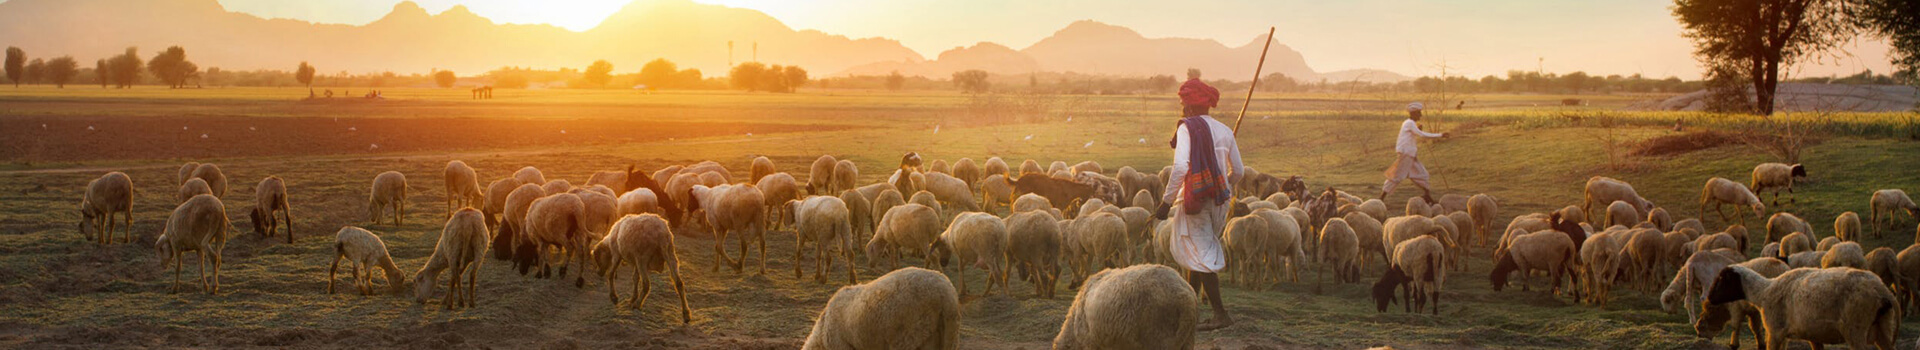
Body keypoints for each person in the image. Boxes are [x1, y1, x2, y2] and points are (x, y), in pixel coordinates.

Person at [1156, 69, 1243, 331]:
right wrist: (1221, 184)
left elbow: (1181, 167)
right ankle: (1188, 309)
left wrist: (1165, 202)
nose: (1182, 108)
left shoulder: (1187, 129)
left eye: (1183, 103)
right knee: (1199, 251)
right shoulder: (1225, 130)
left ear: (1190, 104)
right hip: (1220, 201)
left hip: (1195, 200)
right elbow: (1238, 171)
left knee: (1201, 254)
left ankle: (1220, 314)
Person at [1380, 102, 1449, 203]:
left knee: (1422, 174)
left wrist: (1417, 130)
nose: (1420, 115)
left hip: (1410, 155)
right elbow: (1421, 134)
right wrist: (1441, 135)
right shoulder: (1409, 123)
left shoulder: (1409, 123)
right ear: (1413, 114)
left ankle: (1427, 196)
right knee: (1396, 176)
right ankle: (1381, 198)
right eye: (1419, 113)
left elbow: (1414, 134)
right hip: (1406, 154)